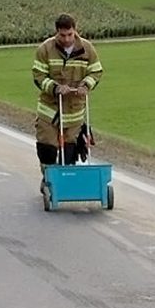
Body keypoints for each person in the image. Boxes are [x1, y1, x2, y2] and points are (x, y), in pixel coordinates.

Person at [32, 13, 103, 189]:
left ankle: (66, 182)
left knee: (69, 151)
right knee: (47, 149)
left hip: (74, 111)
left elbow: (96, 71)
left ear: (75, 31)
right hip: (50, 111)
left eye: (70, 34)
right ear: (57, 32)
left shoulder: (87, 49)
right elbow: (38, 76)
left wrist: (86, 85)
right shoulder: (45, 49)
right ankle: (48, 180)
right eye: (62, 35)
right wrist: (55, 88)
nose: (66, 39)